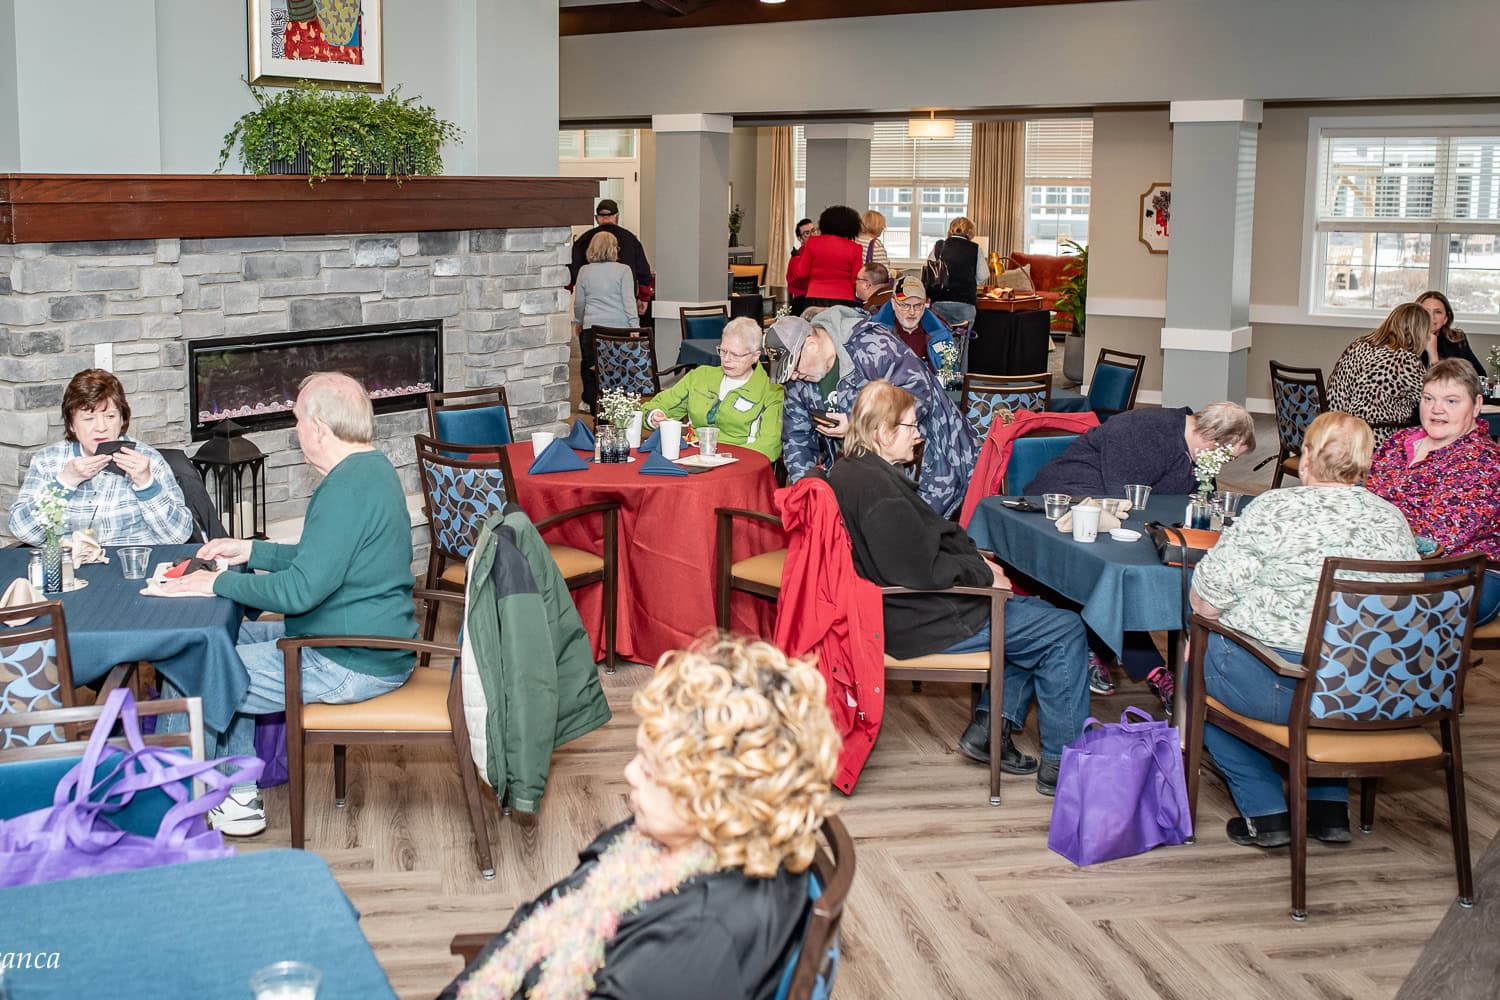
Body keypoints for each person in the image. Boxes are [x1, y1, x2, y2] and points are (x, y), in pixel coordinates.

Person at [440, 635, 840, 1000]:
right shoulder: (677, 838)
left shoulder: (693, 943)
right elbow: (557, 906)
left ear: (714, 797)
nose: (630, 774)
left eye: (650, 769)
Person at [159, 372, 419, 837]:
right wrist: (249, 550)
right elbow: (318, 560)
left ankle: (165, 807)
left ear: (318, 428)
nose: (295, 429)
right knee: (221, 638)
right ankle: (236, 792)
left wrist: (217, 584)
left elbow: (298, 592)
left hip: (349, 659)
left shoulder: (344, 490)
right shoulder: (370, 469)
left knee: (197, 666)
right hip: (356, 639)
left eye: (297, 420)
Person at [827, 381, 1089, 794]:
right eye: (910, 426)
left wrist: (976, 566)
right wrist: (982, 575)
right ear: (882, 433)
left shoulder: (851, 470)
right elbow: (918, 572)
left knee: (1038, 618)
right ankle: (1064, 764)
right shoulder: (880, 495)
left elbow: (915, 558)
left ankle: (990, 728)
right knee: (1064, 629)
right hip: (919, 617)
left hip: (904, 608)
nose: (918, 434)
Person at [1190, 412, 1421, 847]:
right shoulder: (1392, 518)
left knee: (1197, 670)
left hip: (1289, 688)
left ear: (1308, 457)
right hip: (1375, 690)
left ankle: (1266, 812)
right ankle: (1328, 809)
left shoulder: (1275, 508)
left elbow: (1206, 602)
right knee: (1334, 660)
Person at [767, 308, 977, 518]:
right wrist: (806, 492)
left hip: (924, 467)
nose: (794, 377)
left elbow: (917, 397)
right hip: (861, 480)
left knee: (916, 532)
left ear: (812, 345)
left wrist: (857, 425)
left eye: (794, 368)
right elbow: (796, 438)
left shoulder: (871, 344)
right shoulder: (798, 379)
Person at [1367, 358, 1500, 625]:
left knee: (1351, 600)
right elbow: (1364, 496)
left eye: (1451, 401)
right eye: (1428, 399)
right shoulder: (1400, 440)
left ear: (1476, 405)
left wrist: (1366, 533)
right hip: (1391, 557)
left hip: (1459, 573)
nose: (1436, 409)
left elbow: (1436, 538)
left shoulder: (1483, 461)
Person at [8, 368, 193, 546]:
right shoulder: (48, 461)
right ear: (71, 424)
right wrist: (65, 483)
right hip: (70, 562)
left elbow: (178, 536)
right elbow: (24, 532)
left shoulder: (148, 460)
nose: (101, 427)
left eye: (110, 416)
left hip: (132, 559)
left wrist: (146, 484)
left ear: (122, 419)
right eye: (89, 419)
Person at [1023, 401, 1256, 497]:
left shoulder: (1198, 455)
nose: (1223, 464)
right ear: (1211, 436)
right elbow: (1123, 497)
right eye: (1228, 457)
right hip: (1068, 497)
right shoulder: (1145, 431)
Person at [644, 317, 784, 461]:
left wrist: (725, 460)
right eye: (723, 351)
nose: (726, 359)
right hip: (692, 459)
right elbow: (655, 406)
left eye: (735, 355)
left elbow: (769, 445)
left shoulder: (771, 393)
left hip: (739, 464)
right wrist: (654, 416)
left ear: (755, 356)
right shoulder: (700, 377)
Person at [1326, 302, 1430, 446]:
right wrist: (1433, 355)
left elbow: (1334, 394)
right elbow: (1433, 397)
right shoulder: (1405, 360)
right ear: (1420, 333)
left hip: (1337, 432)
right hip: (1375, 438)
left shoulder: (1359, 345)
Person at [573, 230, 639, 414]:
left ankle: (593, 405)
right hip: (619, 329)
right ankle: (617, 406)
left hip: (592, 327)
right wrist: (634, 326)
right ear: (614, 249)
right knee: (618, 369)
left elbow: (579, 303)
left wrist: (578, 321)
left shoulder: (584, 271)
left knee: (591, 368)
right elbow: (629, 301)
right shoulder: (624, 270)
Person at [785, 205, 863, 309]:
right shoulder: (855, 248)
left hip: (815, 297)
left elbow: (801, 273)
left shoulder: (813, 242)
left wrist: (796, 258)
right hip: (844, 298)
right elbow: (855, 280)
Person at [870, 276, 954, 372]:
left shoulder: (941, 334)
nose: (912, 312)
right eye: (905, 305)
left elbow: (950, 372)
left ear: (925, 304)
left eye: (918, 305)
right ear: (893, 303)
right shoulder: (873, 332)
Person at [568, 198, 652, 291]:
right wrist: (644, 295)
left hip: (594, 293)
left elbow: (572, 272)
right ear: (617, 217)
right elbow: (643, 271)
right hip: (624, 294)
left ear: (596, 218)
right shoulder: (630, 239)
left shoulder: (584, 239)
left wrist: (566, 289)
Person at [923, 216, 986, 329]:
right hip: (964, 302)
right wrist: (970, 280)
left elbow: (930, 272)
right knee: (962, 337)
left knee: (939, 336)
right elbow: (983, 275)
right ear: (970, 231)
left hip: (940, 301)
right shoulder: (975, 248)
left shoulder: (939, 246)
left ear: (951, 229)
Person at [1416, 290, 1487, 377]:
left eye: (1438, 312)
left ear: (1446, 318)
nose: (1431, 317)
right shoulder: (1406, 341)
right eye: (1426, 311)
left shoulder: (1456, 338)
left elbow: (1480, 375)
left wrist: (1433, 354)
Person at [786, 217, 815, 316]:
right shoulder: (797, 257)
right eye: (807, 233)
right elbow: (793, 282)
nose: (812, 235)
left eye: (813, 231)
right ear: (799, 238)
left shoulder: (825, 252)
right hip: (804, 301)